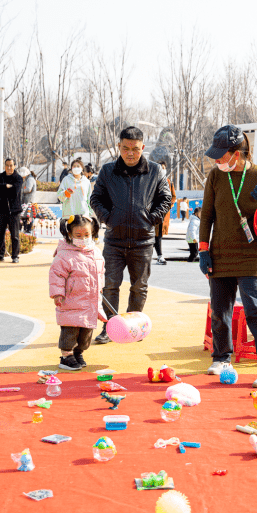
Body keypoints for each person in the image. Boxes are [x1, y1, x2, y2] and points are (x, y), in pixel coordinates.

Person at [199, 124, 257, 386]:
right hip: (220, 254)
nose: (216, 159)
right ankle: (222, 357)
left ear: (237, 153)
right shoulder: (216, 176)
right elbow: (207, 216)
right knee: (220, 310)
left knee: (255, 310)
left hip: (251, 255)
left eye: (221, 154)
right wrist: (204, 250)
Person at [90, 126, 173, 344]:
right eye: (125, 148)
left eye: (135, 149)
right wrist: (108, 218)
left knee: (139, 286)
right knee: (109, 285)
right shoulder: (108, 171)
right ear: (119, 147)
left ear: (142, 148)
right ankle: (111, 327)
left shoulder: (155, 171)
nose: (130, 153)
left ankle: (133, 327)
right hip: (114, 241)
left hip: (143, 241)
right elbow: (96, 199)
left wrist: (151, 218)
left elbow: (165, 198)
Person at [49, 214, 106, 371]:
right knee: (70, 330)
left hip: (90, 300)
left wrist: (100, 289)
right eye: (78, 235)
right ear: (70, 235)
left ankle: (78, 352)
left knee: (86, 331)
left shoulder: (96, 252)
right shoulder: (64, 254)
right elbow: (56, 275)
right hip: (71, 300)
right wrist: (57, 293)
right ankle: (66, 355)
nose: (83, 238)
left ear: (93, 233)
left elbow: (100, 272)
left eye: (87, 235)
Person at [0, 158, 24, 263]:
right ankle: (0, 255)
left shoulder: (18, 178)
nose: (9, 167)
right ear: (4, 166)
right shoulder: (0, 176)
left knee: (14, 235)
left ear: (14, 166)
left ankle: (15, 256)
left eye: (11, 165)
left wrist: (1, 187)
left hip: (14, 211)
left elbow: (15, 191)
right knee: (0, 235)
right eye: (7, 165)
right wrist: (5, 186)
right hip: (0, 210)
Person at [153, 164, 177, 266]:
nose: (162, 170)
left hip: (164, 214)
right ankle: (159, 255)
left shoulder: (169, 182)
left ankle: (159, 255)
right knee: (154, 235)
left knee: (158, 235)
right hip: (153, 213)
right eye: (160, 168)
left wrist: (168, 206)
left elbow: (173, 197)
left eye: (164, 168)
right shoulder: (151, 181)